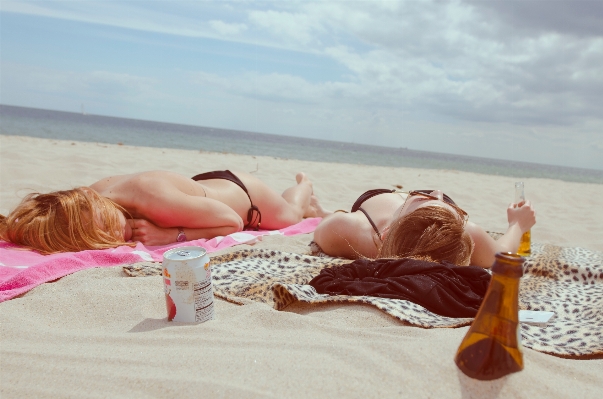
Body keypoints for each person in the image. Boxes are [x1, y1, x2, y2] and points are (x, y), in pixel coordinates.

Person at [0, 170, 326, 254]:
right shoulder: (90, 199)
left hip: (245, 197)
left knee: (292, 215)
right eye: (99, 238)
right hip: (198, 194)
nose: (115, 237)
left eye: (109, 228)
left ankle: (304, 186)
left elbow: (232, 221)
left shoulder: (150, 200)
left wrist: (171, 235)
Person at [313, 188, 536, 268]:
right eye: (452, 208)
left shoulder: (349, 230)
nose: (437, 191)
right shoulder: (467, 236)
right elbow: (503, 254)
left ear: (386, 234)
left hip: (375, 207)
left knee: (334, 216)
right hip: (436, 225)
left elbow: (324, 229)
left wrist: (330, 217)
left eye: (426, 198)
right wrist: (517, 224)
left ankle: (321, 208)